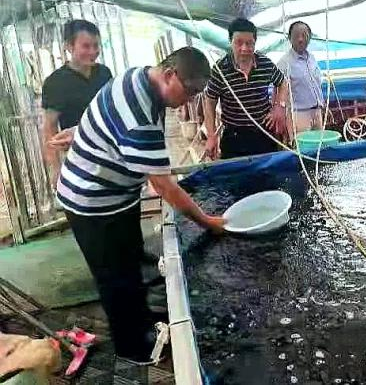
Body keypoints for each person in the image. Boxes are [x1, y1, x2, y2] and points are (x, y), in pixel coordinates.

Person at [55, 47, 224, 363]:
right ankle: (132, 348)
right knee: (115, 278)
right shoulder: (141, 118)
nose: (189, 101)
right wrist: (207, 221)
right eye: (189, 92)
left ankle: (142, 321)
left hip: (116, 195)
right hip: (92, 203)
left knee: (130, 262)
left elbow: (109, 118)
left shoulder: (139, 74)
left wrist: (82, 131)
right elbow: (163, 185)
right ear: (170, 74)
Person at [202, 18, 289, 159]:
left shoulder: (265, 64)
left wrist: (280, 107)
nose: (244, 48)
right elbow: (209, 103)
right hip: (234, 137)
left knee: (268, 171)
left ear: (255, 43)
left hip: (263, 133)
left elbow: (283, 82)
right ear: (230, 42)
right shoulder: (220, 69)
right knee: (235, 172)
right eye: (239, 42)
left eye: (249, 43)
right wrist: (211, 136)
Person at [42, 19, 112, 182]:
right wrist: (56, 168)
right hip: (79, 158)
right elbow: (50, 127)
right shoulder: (56, 82)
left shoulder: (104, 73)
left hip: (110, 154)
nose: (93, 51)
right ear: (69, 46)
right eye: (86, 46)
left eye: (96, 46)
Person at [276, 21, 324, 140]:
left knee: (319, 145)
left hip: (316, 111)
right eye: (296, 36)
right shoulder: (284, 62)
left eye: (304, 35)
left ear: (310, 37)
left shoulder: (312, 58)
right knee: (303, 147)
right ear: (289, 38)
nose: (301, 39)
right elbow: (278, 92)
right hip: (298, 114)